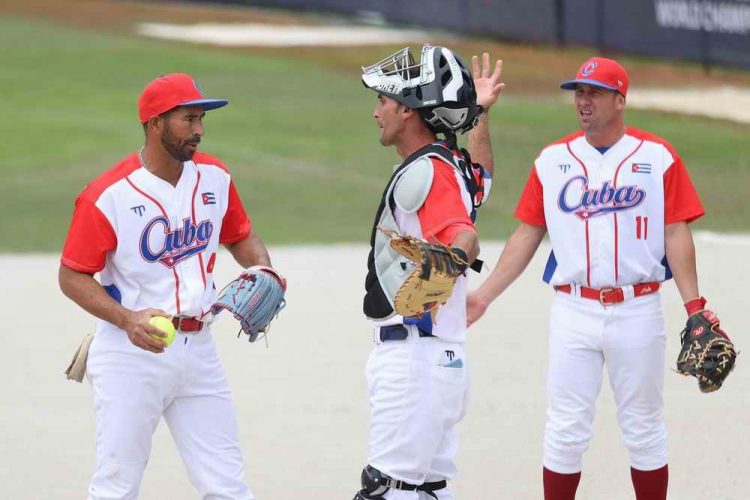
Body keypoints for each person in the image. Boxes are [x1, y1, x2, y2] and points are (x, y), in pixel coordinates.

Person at [467, 57, 717, 500]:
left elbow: (676, 230)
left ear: (620, 100)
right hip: (573, 310)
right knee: (565, 428)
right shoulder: (553, 161)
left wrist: (694, 307)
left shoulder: (656, 157)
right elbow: (528, 232)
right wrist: (484, 297)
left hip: (638, 309)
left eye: (595, 92)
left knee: (643, 426)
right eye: (579, 92)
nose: (583, 100)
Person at [58, 73, 272, 499]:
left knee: (228, 485)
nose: (200, 130)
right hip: (130, 355)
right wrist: (125, 318)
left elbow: (240, 234)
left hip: (201, 352)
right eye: (189, 119)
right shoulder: (109, 195)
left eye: (201, 119)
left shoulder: (214, 176)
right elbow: (71, 275)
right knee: (117, 485)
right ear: (155, 123)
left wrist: (264, 270)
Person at [354, 46, 505, 499]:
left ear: (407, 109)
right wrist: (477, 113)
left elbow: (463, 235)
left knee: (388, 490)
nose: (376, 111)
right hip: (440, 360)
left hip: (413, 363)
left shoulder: (428, 174)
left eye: (383, 100)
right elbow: (483, 177)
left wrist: (452, 261)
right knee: (429, 491)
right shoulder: (451, 167)